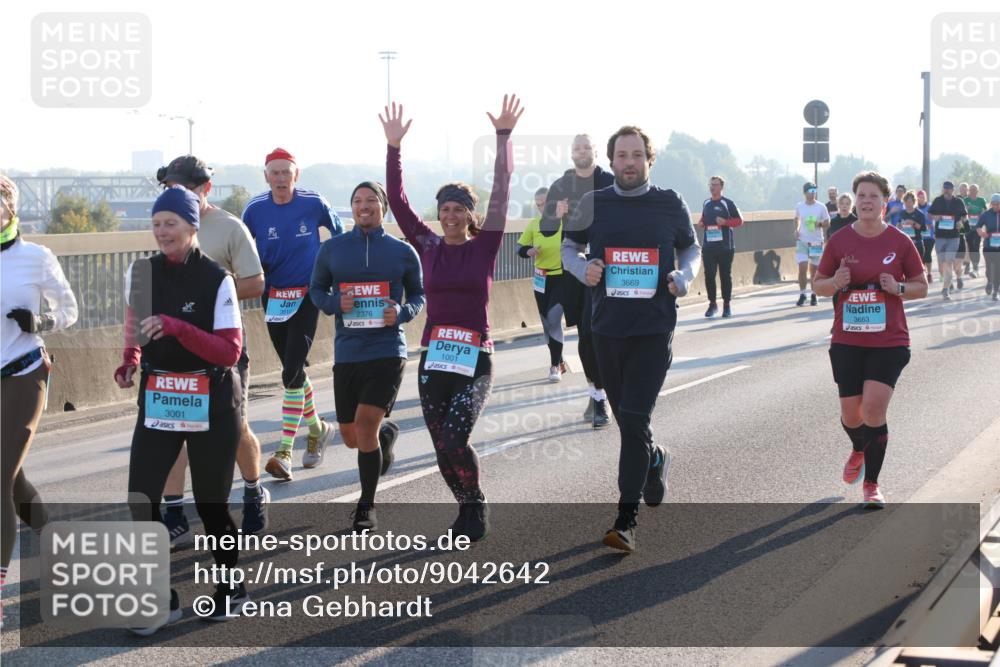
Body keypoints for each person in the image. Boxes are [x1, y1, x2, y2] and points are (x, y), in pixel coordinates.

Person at [382, 95, 523, 541]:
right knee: (440, 444)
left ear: (470, 215)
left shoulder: (485, 246)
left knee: (454, 439)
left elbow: (503, 188)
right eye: (444, 209)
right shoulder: (427, 245)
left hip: (475, 358)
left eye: (458, 209)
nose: (450, 216)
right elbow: (399, 204)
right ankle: (465, 509)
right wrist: (394, 148)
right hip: (435, 359)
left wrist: (503, 137)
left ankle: (476, 504)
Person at [115, 186, 249, 632]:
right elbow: (136, 319)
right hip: (160, 397)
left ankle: (231, 584)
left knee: (211, 504)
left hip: (212, 400)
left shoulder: (216, 279)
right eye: (156, 224)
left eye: (170, 223)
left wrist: (177, 327)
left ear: (193, 226)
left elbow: (230, 352)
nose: (161, 232)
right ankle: (161, 599)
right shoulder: (143, 270)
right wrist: (130, 359)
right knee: (141, 499)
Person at [562, 126, 701, 553]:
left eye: (637, 155)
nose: (629, 162)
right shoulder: (594, 202)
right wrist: (580, 268)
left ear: (649, 160)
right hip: (607, 327)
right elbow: (569, 246)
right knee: (628, 420)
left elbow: (691, 249)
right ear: (612, 160)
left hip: (654, 327)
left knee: (635, 417)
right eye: (621, 155)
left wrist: (685, 277)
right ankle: (655, 458)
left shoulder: (669, 202)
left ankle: (626, 520)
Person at [153, 156, 269, 543]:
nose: (174, 195)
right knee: (172, 427)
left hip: (223, 345)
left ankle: (253, 491)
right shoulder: (167, 224)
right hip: (176, 347)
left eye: (182, 188)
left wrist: (210, 291)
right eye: (169, 188)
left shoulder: (228, 227)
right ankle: (173, 512)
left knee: (234, 428)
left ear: (205, 189)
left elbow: (255, 284)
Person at [309, 180, 424, 532]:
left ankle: (366, 506)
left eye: (371, 200)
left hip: (387, 351)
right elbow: (315, 289)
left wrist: (401, 313)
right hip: (347, 352)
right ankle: (386, 435)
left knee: (364, 425)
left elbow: (420, 296)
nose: (364, 206)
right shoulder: (333, 249)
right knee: (350, 437)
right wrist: (333, 303)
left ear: (383, 208)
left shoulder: (403, 252)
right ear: (351, 208)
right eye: (357, 201)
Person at [813, 172, 927, 508]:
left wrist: (900, 288)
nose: (866, 201)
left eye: (873, 196)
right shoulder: (839, 241)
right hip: (847, 338)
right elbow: (818, 285)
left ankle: (872, 485)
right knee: (852, 415)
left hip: (889, 340)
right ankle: (859, 447)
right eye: (861, 195)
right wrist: (835, 280)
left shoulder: (900, 242)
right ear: (854, 199)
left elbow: (921, 286)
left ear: (885, 202)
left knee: (874, 408)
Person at [243, 149, 343, 480]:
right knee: (293, 370)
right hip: (274, 297)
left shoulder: (314, 203)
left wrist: (335, 273)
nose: (281, 178)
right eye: (275, 173)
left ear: (296, 175)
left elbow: (339, 235)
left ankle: (284, 451)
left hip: (307, 294)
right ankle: (318, 429)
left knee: (291, 370)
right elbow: (241, 250)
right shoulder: (255, 210)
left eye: (287, 172)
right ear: (266, 176)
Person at [1, 175, 77, 599]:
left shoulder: (36, 257)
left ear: (10, 209)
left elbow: (69, 310)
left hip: (24, 371)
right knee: (11, 480)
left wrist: (40, 322)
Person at [539, 135, 615, 428]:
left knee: (606, 335)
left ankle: (605, 393)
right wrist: (555, 215)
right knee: (586, 334)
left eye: (587, 148)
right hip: (576, 268)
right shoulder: (561, 185)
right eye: (577, 149)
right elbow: (545, 230)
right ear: (571, 154)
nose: (582, 152)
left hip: (611, 267)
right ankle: (597, 394)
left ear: (595, 152)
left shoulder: (610, 180)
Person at [518, 186, 569, 381]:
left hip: (562, 278)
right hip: (541, 279)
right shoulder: (534, 224)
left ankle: (554, 366)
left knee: (554, 319)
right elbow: (520, 248)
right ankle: (560, 359)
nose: (541, 208)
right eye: (538, 205)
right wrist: (528, 251)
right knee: (547, 324)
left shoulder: (566, 223)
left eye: (545, 203)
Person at [697, 176, 743, 317]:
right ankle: (712, 304)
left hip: (725, 247)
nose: (712, 187)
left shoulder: (727, 203)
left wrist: (725, 222)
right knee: (709, 276)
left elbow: (739, 221)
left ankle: (727, 305)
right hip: (709, 246)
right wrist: (701, 223)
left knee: (725, 276)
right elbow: (703, 219)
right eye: (710, 185)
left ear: (721, 187)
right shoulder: (706, 203)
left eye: (715, 185)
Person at [928, 181, 969, 300]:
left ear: (953, 190)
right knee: (941, 265)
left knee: (948, 263)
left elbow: (965, 216)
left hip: (953, 237)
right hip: (940, 237)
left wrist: (961, 222)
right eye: (945, 188)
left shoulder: (958, 202)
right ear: (942, 189)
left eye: (949, 188)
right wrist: (935, 217)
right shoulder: (937, 201)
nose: (946, 190)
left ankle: (945, 290)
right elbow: (929, 214)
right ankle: (948, 282)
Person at [794, 182, 831, 306]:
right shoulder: (800, 206)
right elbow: (797, 219)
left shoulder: (821, 207)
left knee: (814, 270)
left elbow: (827, 222)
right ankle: (802, 294)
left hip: (816, 241)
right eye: (810, 190)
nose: (813, 192)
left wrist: (819, 224)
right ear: (805, 192)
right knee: (802, 267)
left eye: (814, 190)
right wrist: (797, 229)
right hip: (802, 241)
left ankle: (814, 294)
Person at [976, 193, 1000, 300]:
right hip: (988, 245)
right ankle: (989, 281)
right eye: (993, 204)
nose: (995, 206)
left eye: (998, 204)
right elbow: (978, 226)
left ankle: (995, 291)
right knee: (989, 268)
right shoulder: (986, 214)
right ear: (991, 204)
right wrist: (981, 232)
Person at [963, 183, 988, 278]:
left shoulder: (981, 200)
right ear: (969, 191)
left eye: (975, 190)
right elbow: (962, 212)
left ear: (978, 191)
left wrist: (981, 213)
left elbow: (985, 212)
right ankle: (970, 265)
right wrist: (966, 210)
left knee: (976, 246)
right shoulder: (965, 200)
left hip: (978, 227)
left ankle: (975, 268)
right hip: (968, 227)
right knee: (970, 246)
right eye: (971, 189)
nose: (973, 191)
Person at [916, 190, 934, 283]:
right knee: (920, 256)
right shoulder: (915, 208)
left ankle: (929, 273)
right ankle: (922, 273)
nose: (921, 199)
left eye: (922, 197)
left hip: (930, 235)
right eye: (919, 197)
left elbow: (935, 218)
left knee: (927, 254)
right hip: (919, 235)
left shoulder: (930, 207)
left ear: (925, 197)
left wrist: (930, 223)